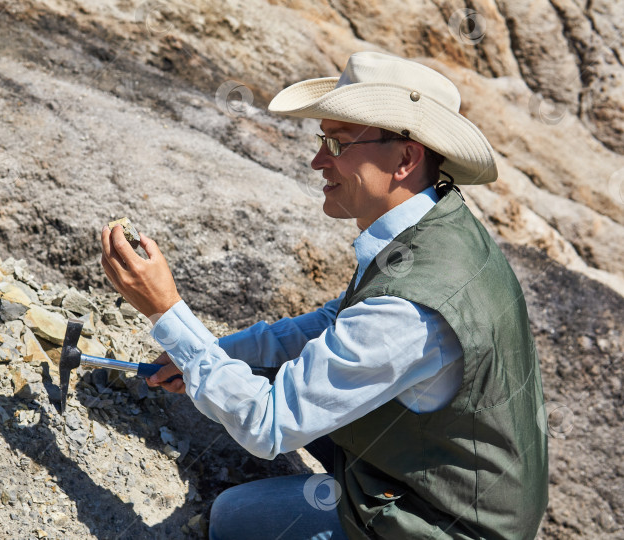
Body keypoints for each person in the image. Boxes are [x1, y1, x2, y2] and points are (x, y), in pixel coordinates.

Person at [100, 51, 548, 539]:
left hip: (446, 524)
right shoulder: (436, 225)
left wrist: (167, 311)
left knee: (233, 519)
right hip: (451, 487)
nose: (318, 160)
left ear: (405, 158)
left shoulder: (412, 308)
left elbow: (268, 425)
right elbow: (339, 321)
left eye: (337, 143)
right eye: (322, 139)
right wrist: (213, 354)